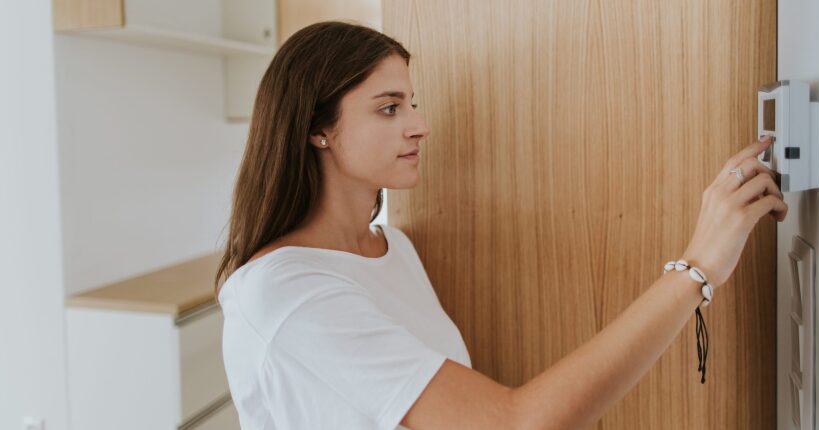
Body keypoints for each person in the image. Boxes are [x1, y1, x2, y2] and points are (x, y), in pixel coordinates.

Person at [215, 21, 787, 430]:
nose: (420, 125)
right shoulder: (286, 292)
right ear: (318, 130)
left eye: (412, 103)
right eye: (389, 108)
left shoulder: (392, 249)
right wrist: (697, 268)